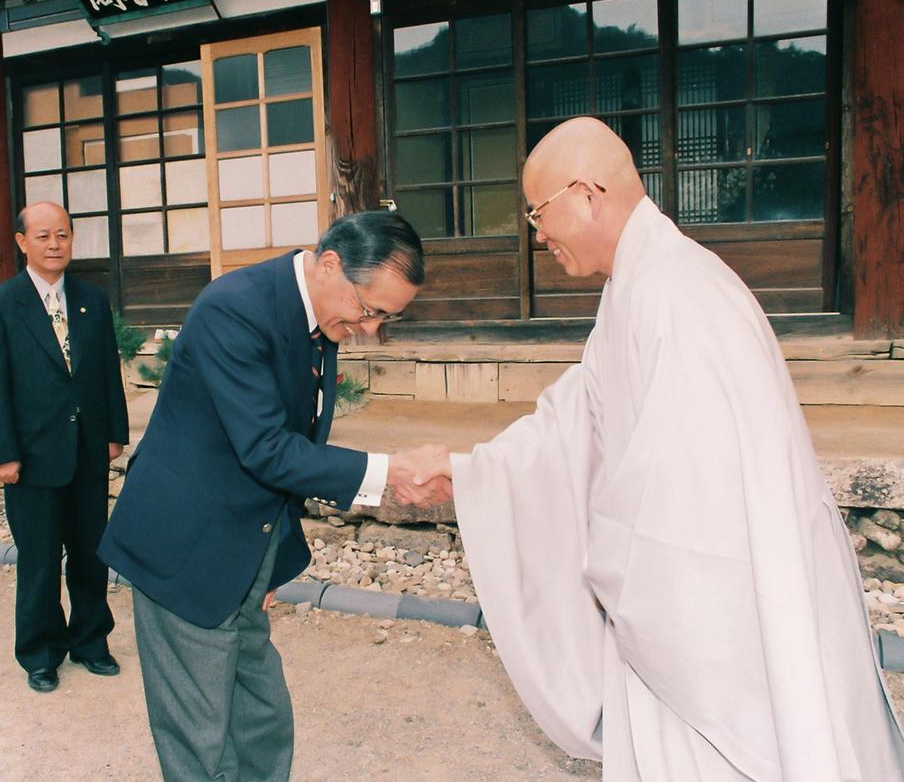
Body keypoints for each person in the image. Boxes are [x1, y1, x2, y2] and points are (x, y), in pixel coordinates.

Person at [414, 117, 904, 778]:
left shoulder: (678, 293)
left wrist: (614, 559)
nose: (537, 234)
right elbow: (579, 416)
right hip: (692, 608)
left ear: (587, 193)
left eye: (538, 212)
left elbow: (687, 498)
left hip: (724, 615)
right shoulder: (636, 287)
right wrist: (475, 470)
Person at [99, 210, 449, 781]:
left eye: (386, 319)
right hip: (184, 548)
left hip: (245, 544)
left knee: (261, 716)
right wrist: (390, 471)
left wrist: (267, 565)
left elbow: (292, 447)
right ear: (331, 264)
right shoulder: (235, 307)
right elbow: (266, 449)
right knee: (201, 738)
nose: (369, 328)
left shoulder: (319, 314)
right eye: (370, 310)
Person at [0, 201, 129, 693]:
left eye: (62, 234)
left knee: (89, 552)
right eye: (43, 236)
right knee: (38, 560)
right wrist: (4, 454)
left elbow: (105, 370)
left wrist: (114, 433)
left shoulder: (91, 299)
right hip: (32, 456)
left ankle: (91, 641)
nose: (54, 244)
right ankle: (40, 652)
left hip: (86, 450)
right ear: (21, 243)